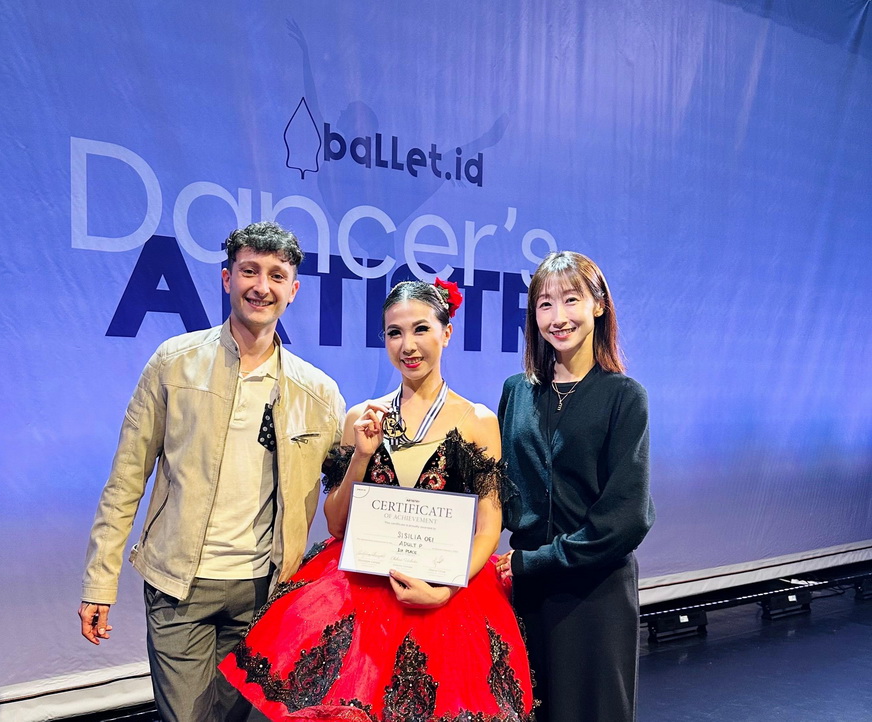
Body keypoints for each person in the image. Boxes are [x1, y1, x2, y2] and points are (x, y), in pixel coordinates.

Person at [218, 279, 534, 722]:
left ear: (446, 333)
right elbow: (336, 524)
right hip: (362, 594)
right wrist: (362, 456)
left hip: (448, 597)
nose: (408, 346)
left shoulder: (477, 420)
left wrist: (444, 589)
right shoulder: (363, 416)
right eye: (394, 333)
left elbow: (488, 526)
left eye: (421, 329)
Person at [78, 221, 346, 722]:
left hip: (264, 593)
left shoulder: (320, 394)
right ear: (227, 279)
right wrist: (100, 581)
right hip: (179, 584)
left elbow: (343, 501)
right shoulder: (173, 364)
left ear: (293, 290)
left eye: (276, 275)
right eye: (249, 271)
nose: (261, 286)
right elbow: (126, 478)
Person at [496, 251, 655, 722]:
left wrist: (535, 561)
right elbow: (497, 488)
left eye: (571, 300)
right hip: (524, 596)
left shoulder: (624, 396)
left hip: (594, 595)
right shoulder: (516, 391)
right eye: (545, 304)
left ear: (598, 305)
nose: (558, 317)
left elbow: (626, 518)